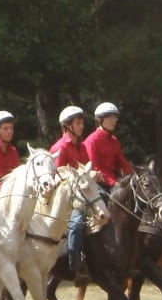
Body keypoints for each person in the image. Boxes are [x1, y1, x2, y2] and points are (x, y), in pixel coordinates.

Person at [50, 105, 99, 276]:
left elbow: (84, 170)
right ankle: (75, 265)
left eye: (81, 123)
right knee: (77, 223)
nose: (81, 126)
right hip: (68, 201)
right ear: (67, 126)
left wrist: (92, 175)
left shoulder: (82, 147)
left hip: (85, 195)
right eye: (78, 123)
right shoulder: (60, 148)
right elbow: (57, 177)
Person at [84, 101, 133, 191]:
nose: (114, 121)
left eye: (115, 118)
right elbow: (95, 167)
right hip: (99, 184)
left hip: (114, 182)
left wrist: (135, 176)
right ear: (100, 120)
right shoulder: (91, 141)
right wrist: (113, 182)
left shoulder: (114, 140)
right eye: (111, 118)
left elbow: (123, 164)